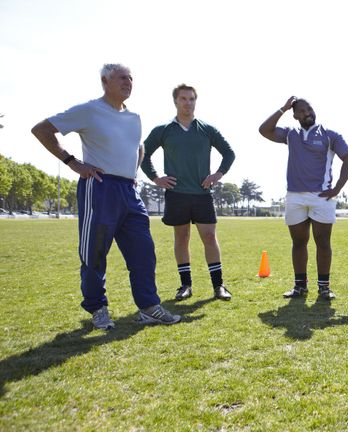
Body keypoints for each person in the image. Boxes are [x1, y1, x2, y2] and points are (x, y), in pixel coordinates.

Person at [31, 63, 181, 329]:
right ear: (105, 81)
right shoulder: (89, 110)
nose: (128, 82)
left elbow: (140, 148)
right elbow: (41, 129)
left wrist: (132, 173)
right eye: (122, 78)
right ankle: (98, 308)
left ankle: (148, 307)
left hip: (129, 191)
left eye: (131, 78)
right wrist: (72, 162)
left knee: (144, 252)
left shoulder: (134, 117)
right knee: (94, 253)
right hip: (99, 187)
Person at [141, 84, 236, 302]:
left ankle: (218, 286)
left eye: (192, 99)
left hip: (202, 194)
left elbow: (229, 153)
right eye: (183, 99)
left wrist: (217, 175)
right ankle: (185, 285)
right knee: (181, 237)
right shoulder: (163, 130)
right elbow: (143, 154)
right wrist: (156, 178)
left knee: (209, 237)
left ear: (196, 101)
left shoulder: (207, 129)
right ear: (175, 101)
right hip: (177, 194)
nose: (188, 103)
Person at [259, 96, 348, 300]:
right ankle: (300, 286)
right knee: (298, 242)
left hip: (321, 197)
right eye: (301, 111)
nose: (307, 113)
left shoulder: (330, 135)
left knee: (323, 242)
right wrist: (282, 109)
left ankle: (324, 288)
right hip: (294, 196)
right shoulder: (290, 134)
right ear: (295, 115)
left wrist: (337, 187)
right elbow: (264, 130)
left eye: (309, 109)